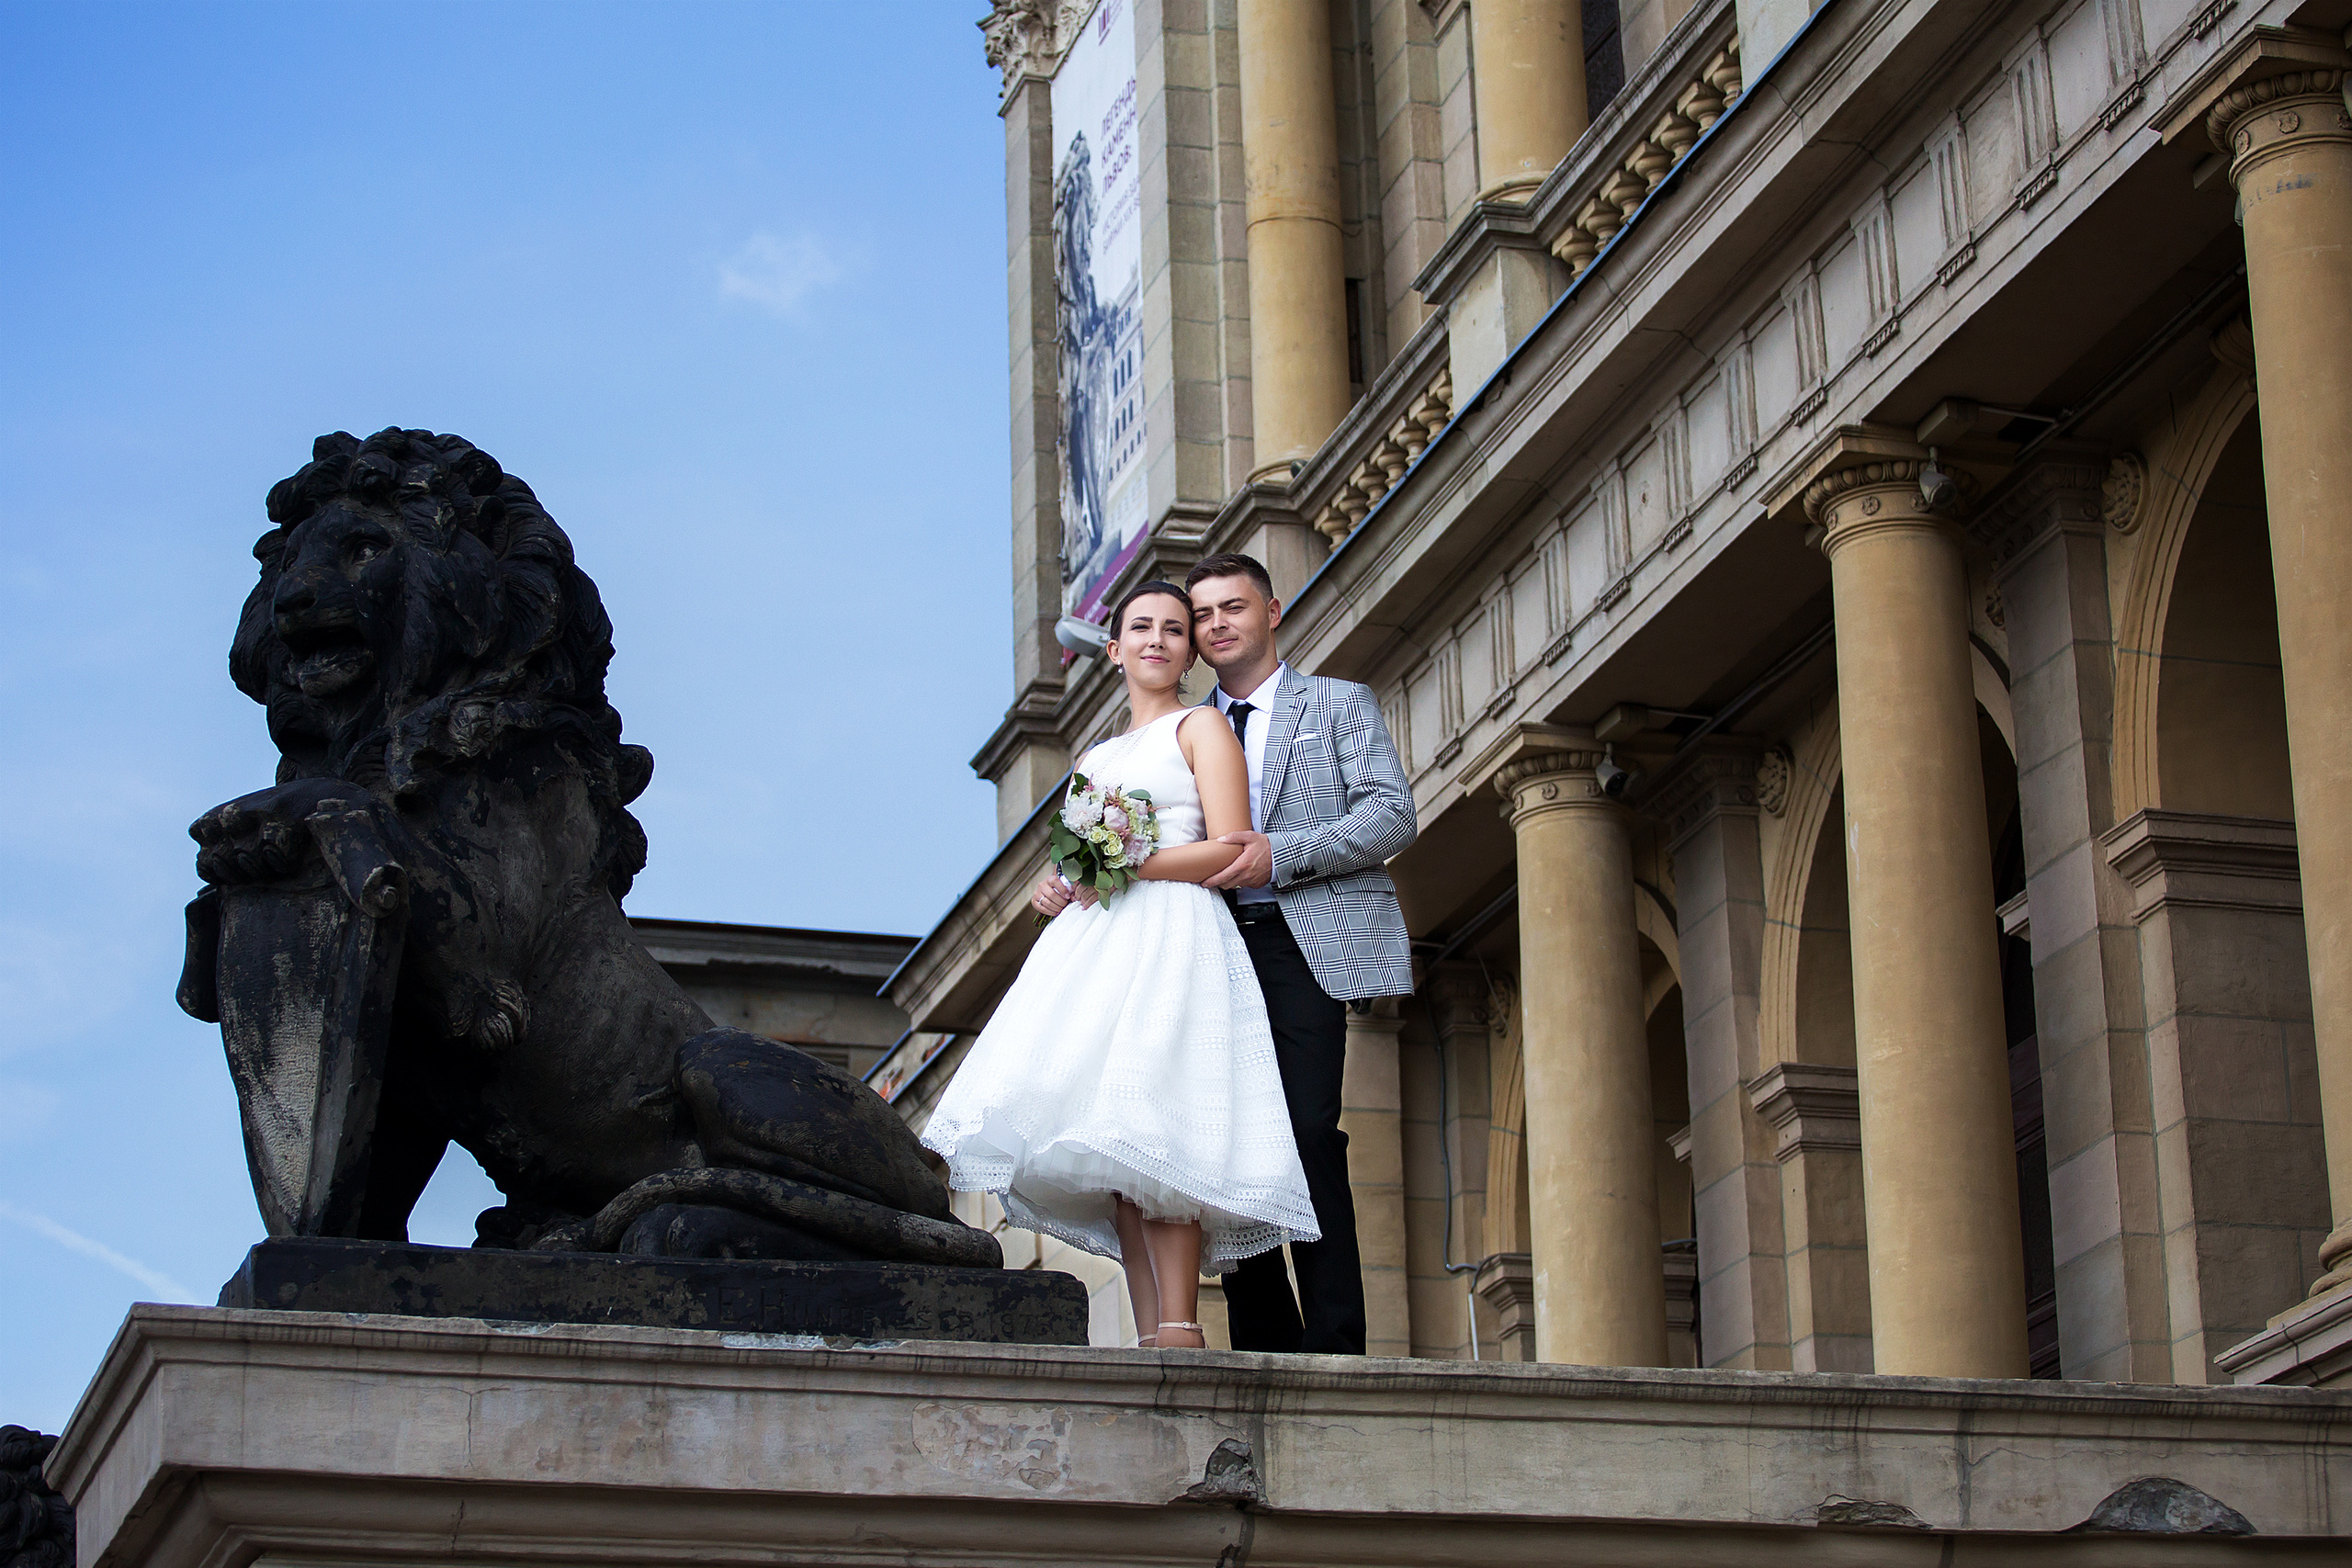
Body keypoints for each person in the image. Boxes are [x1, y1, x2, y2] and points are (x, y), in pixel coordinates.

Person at [1036, 551, 1418, 1355]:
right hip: (1200, 944)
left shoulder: (1337, 704)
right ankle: (1263, 1338)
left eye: (1230, 609)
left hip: (1297, 934)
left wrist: (1281, 853)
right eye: (1201, 616)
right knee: (1218, 1134)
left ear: (1272, 611)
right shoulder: (1179, 729)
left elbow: (1391, 815)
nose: (1215, 625)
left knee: (1310, 1130)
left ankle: (1336, 1340)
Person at [922, 581, 1318, 1350]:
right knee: (1118, 1144)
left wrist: (1133, 860)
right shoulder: (1096, 755)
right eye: (1141, 627)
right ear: (1114, 649)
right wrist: (1060, 883)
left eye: (1176, 629)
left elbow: (1232, 846)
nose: (1159, 640)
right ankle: (1148, 1334)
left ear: (1188, 650)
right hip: (1100, 944)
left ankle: (1180, 1326)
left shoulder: (1202, 727)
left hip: (1175, 933)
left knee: (1160, 1123)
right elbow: (1083, 857)